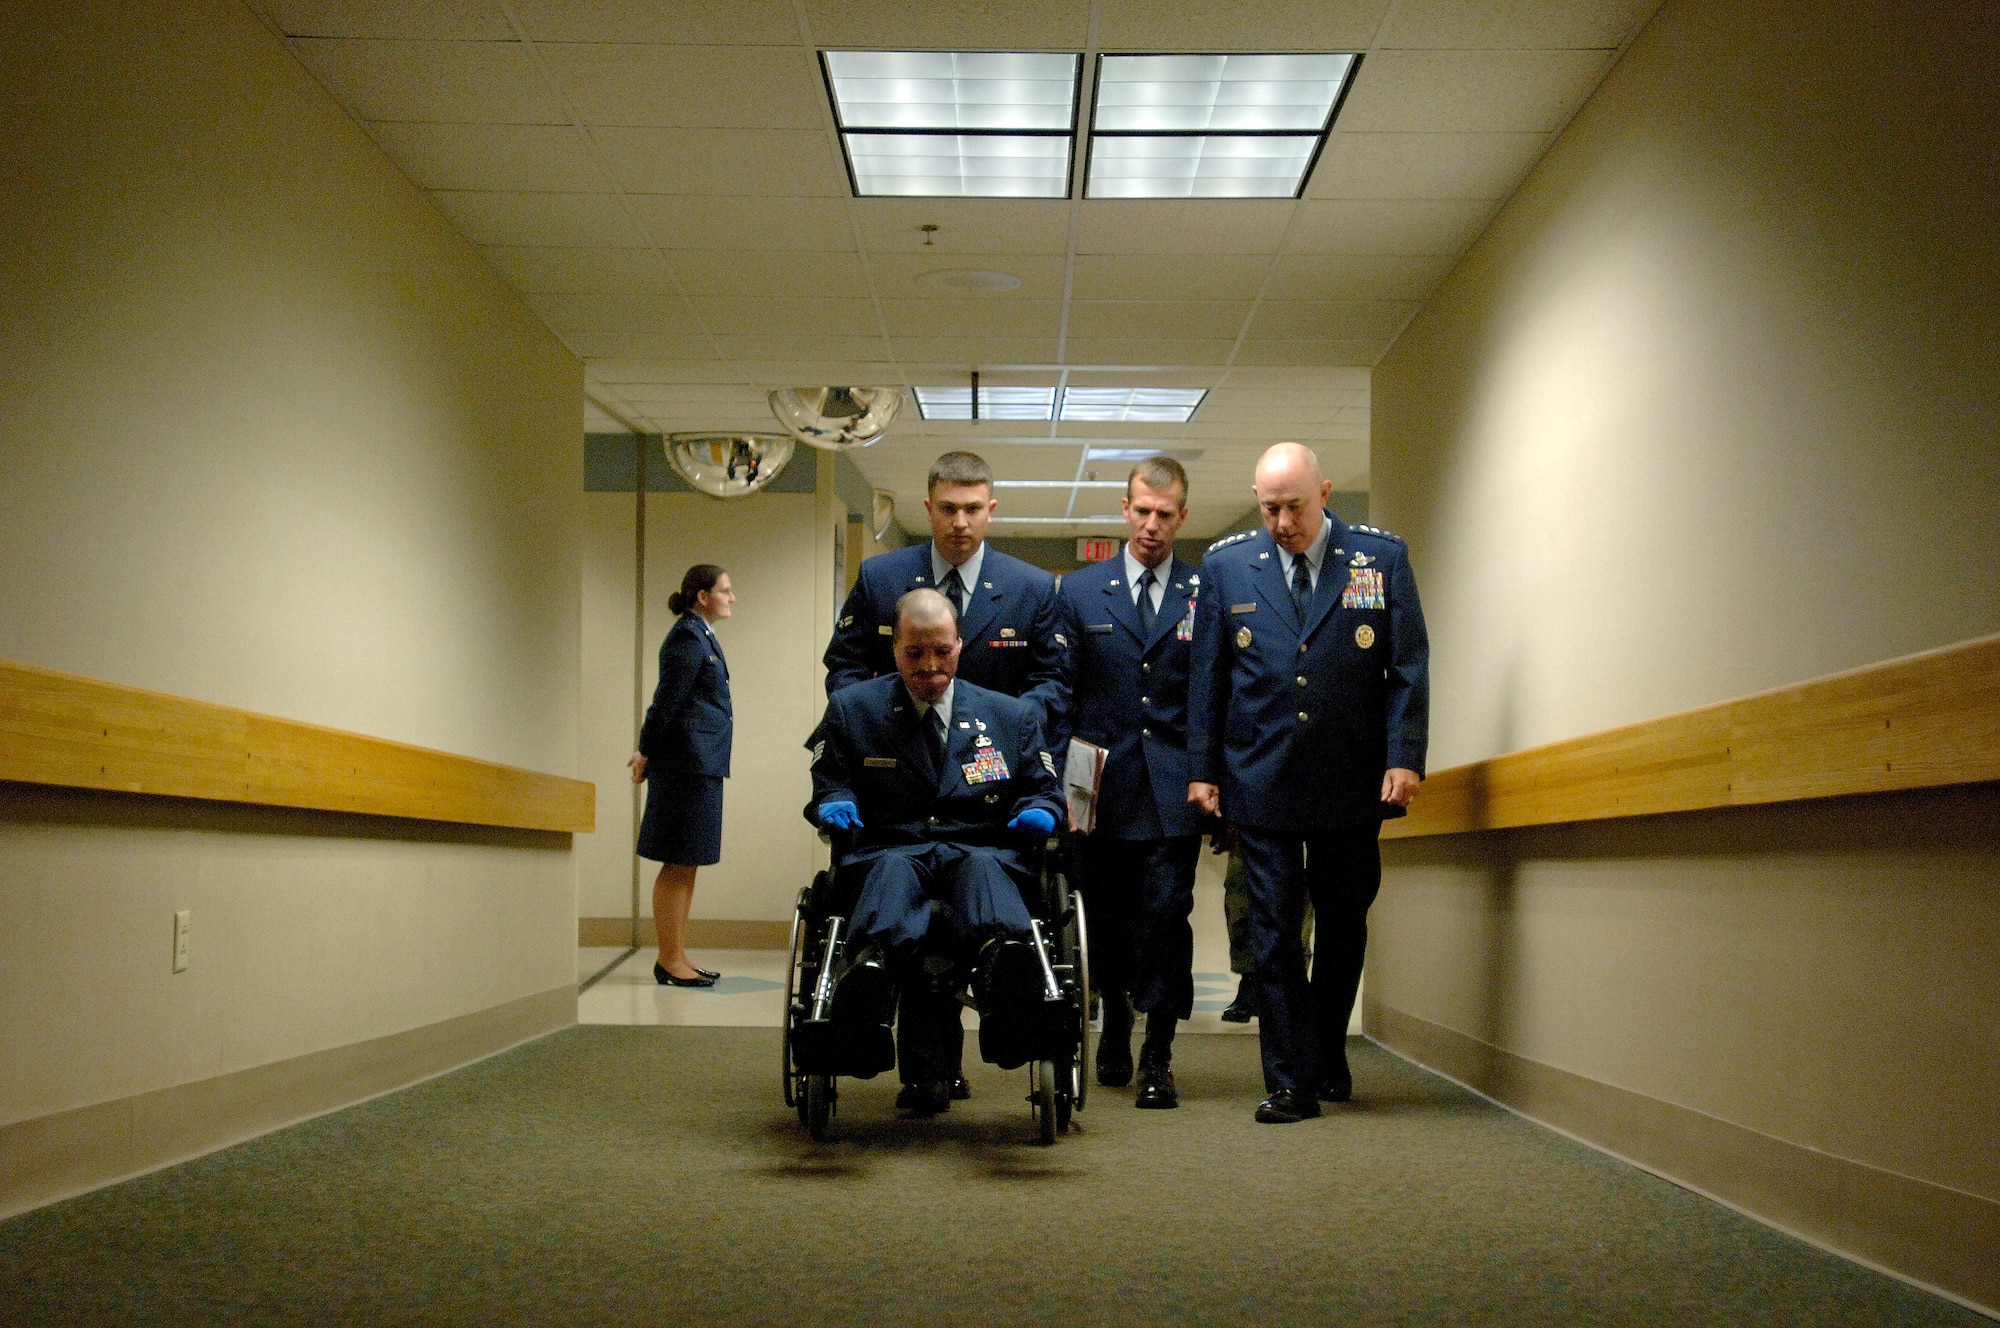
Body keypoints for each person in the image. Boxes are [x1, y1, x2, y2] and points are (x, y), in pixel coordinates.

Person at [1187, 443, 1429, 1123]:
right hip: (1259, 776)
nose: (1282, 520)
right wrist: (1204, 771)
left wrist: (1404, 755)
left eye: (1294, 505)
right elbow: (1209, 677)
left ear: (1324, 492)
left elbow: (1407, 665)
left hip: (1351, 778)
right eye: (1270, 507)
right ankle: (1288, 1080)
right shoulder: (1229, 565)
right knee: (1273, 928)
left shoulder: (1379, 559)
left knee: (1344, 919)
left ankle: (1326, 1053)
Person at [822, 449, 1064, 1101]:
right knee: (901, 881)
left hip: (985, 804)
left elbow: (1052, 681)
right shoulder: (880, 578)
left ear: (991, 509)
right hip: (896, 797)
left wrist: (1008, 727)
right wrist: (875, 712)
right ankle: (875, 997)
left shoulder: (1031, 587)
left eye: (973, 508)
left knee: (978, 877)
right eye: (948, 508)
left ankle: (1003, 984)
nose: (961, 521)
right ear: (928, 508)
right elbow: (842, 669)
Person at [1052, 456, 1203, 1108]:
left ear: (1181, 517)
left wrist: (1212, 779)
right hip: (1097, 785)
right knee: (1107, 919)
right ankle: (1113, 1013)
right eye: (1141, 511)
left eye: (1164, 515)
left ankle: (1158, 1053)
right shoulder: (1081, 592)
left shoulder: (1205, 592)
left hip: (1173, 787)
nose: (1150, 526)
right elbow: (1060, 693)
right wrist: (1056, 778)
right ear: (1124, 508)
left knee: (1167, 915)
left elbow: (1214, 693)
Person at [627, 564, 736, 988]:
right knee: (678, 861)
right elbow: (665, 701)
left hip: (700, 764)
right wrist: (646, 751)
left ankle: (677, 954)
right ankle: (669, 960)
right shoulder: (686, 638)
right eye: (725, 590)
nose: (732, 597)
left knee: (688, 862)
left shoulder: (701, 635)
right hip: (684, 765)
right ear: (702, 596)